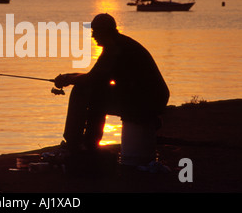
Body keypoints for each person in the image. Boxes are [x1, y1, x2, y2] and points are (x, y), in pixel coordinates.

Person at [54, 13, 169, 165]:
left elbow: (92, 79)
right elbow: (95, 75)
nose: (93, 35)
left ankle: (80, 143)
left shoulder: (115, 49)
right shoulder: (117, 44)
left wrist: (68, 80)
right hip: (146, 97)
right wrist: (69, 76)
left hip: (147, 101)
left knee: (86, 93)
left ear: (104, 32)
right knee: (94, 90)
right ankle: (85, 143)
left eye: (95, 31)